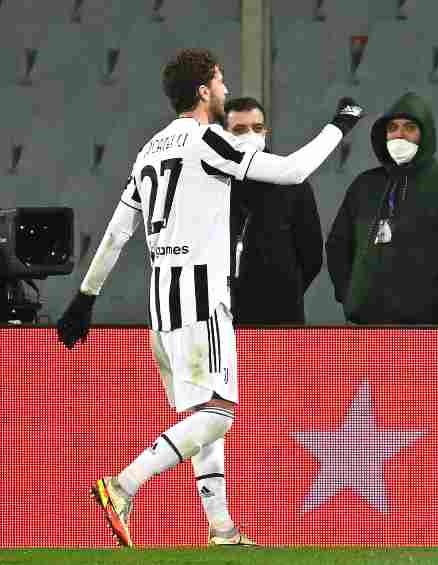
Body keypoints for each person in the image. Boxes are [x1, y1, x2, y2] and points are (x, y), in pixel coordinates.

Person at [55, 48, 364, 547]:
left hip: (161, 303)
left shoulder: (149, 150)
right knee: (218, 414)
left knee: (203, 413)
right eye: (220, 81)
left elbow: (117, 232)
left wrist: (85, 298)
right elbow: (291, 171)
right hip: (201, 298)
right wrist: (339, 126)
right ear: (203, 90)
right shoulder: (206, 140)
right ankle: (123, 485)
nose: (225, 89)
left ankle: (221, 528)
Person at [325, 92, 438, 326]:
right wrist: (350, 295)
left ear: (425, 133)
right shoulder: (364, 185)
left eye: (409, 127)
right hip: (369, 324)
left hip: (432, 326)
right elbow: (338, 245)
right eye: (392, 128)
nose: (399, 135)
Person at [224, 96, 323, 325]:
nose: (250, 135)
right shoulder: (213, 184)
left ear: (265, 132)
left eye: (257, 128)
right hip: (224, 314)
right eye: (240, 130)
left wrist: (286, 289)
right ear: (223, 135)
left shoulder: (293, 183)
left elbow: (312, 255)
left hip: (281, 314)